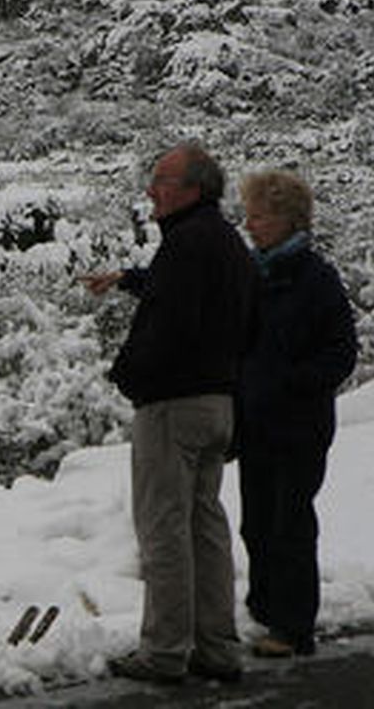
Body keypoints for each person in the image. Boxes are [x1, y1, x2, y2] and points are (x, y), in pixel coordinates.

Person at [80, 142, 256, 685]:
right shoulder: (227, 242)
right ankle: (218, 646)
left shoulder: (186, 246)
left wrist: (128, 373)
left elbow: (172, 323)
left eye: (162, 180)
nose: (151, 189)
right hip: (218, 403)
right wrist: (129, 279)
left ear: (192, 190)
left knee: (163, 529)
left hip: (173, 406)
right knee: (205, 526)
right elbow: (232, 314)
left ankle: (163, 651)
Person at [237, 170, 358, 658]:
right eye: (248, 215)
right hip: (256, 424)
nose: (250, 224)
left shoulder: (316, 279)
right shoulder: (253, 273)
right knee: (257, 522)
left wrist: (289, 383)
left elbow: (341, 353)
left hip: (299, 425)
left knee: (290, 521)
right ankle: (267, 612)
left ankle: (292, 625)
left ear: (289, 220)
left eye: (259, 216)